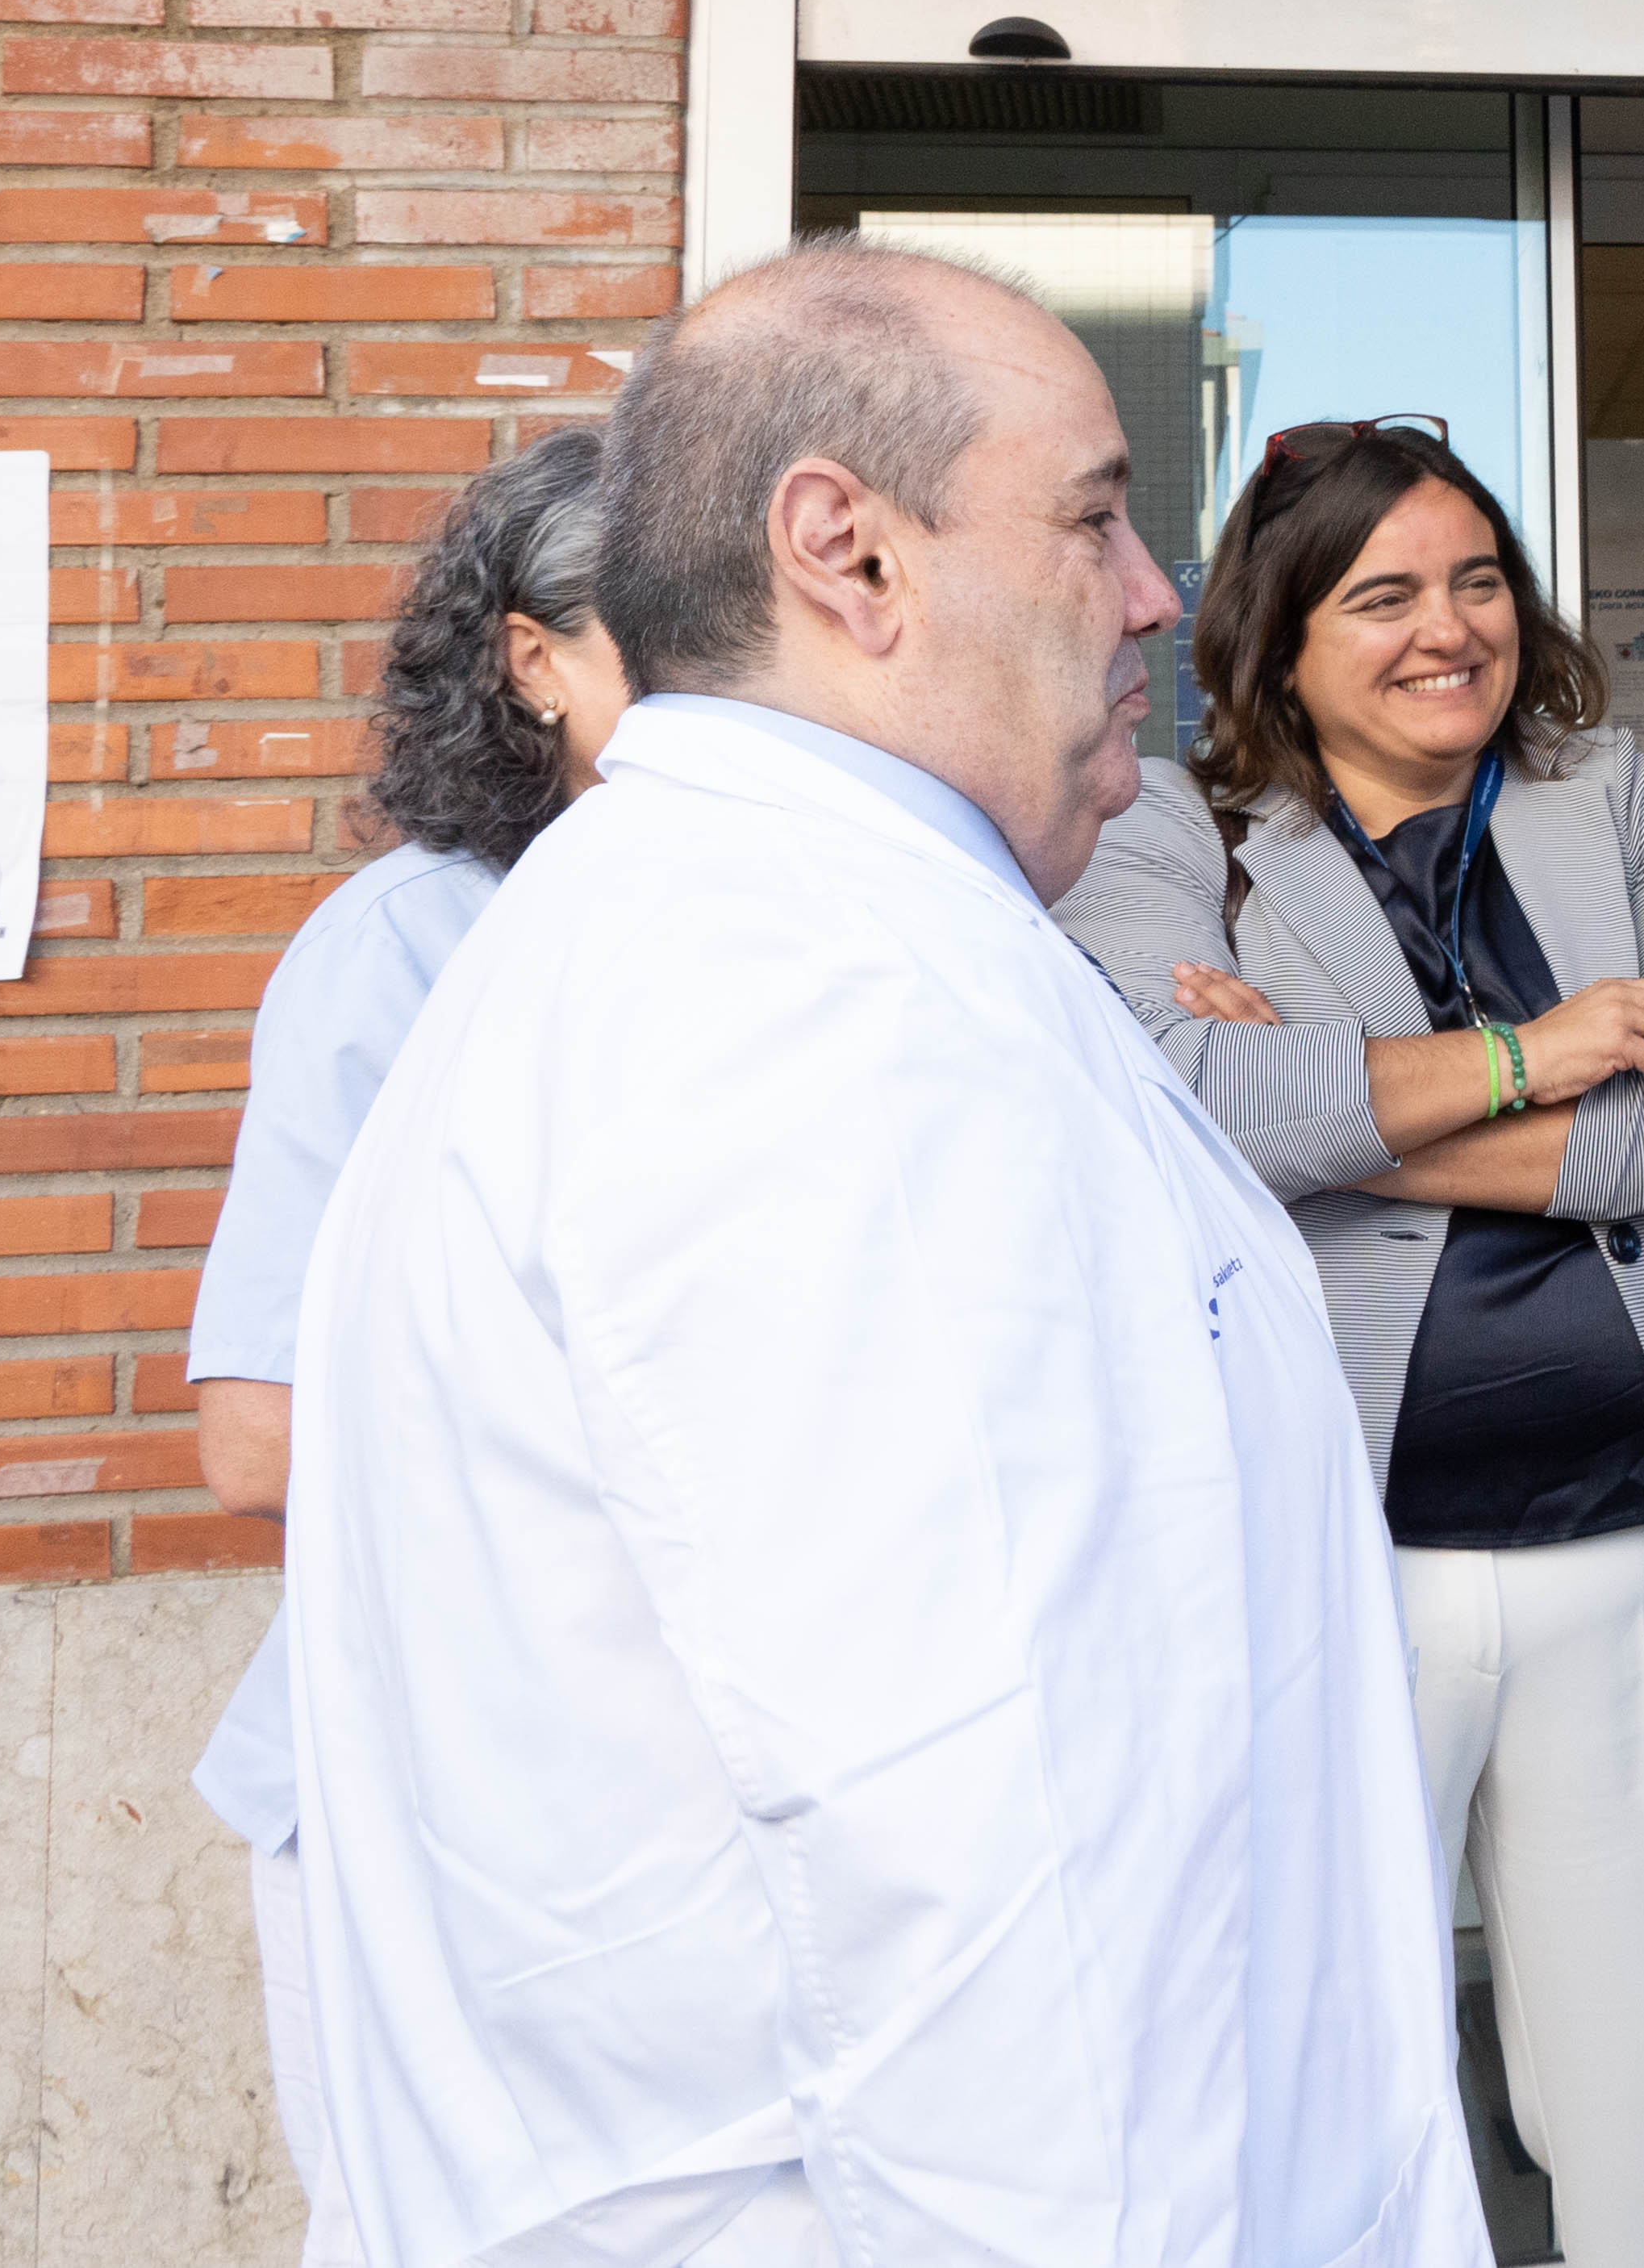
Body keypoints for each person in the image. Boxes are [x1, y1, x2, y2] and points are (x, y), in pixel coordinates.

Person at [282, 243, 1482, 2268]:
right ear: (846, 555)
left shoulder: (764, 946)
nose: (1152, 595)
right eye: (1094, 516)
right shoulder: (815, 1014)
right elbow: (1003, 1895)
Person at [1057, 414, 1644, 2268]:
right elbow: (1166, 1101)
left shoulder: (1622, 805)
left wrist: (1335, 1102)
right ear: (1279, 636)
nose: (1444, 628)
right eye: (1381, 595)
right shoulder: (1166, 825)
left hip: (1628, 1534)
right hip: (1320, 1563)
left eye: (1475, 582)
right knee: (1320, 2069)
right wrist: (1545, 1052)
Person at [184, 425, 632, 2268]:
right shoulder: (401, 954)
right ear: (532, 658)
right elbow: (256, 1439)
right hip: (425, 1796)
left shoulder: (758, 935)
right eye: (659, 644)